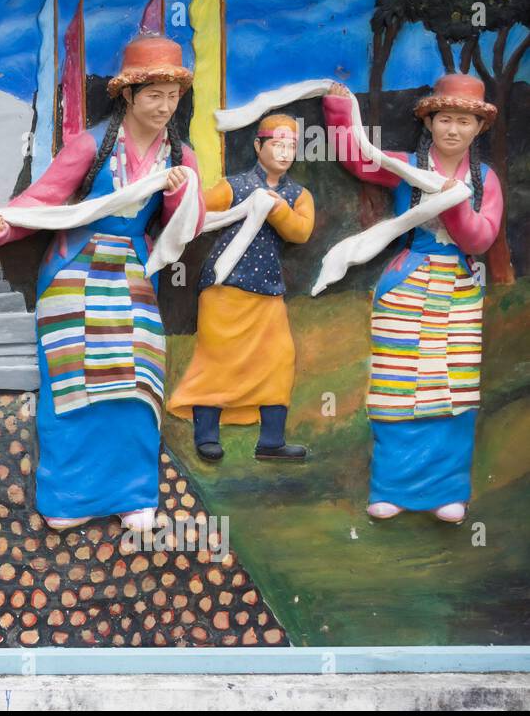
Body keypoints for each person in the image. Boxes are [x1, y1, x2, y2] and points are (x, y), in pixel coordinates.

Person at [0, 32, 205, 533]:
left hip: (132, 274)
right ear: (127, 95)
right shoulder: (90, 146)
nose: (165, 107)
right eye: (154, 96)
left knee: (136, 381)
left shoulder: (179, 157)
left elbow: (185, 228)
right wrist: (4, 225)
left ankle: (134, 494)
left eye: (173, 97)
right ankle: (69, 495)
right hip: (75, 271)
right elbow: (45, 200)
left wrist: (179, 193)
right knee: (73, 383)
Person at [323, 75, 504, 523]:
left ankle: (448, 491)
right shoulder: (406, 164)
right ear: (429, 122)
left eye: (464, 121)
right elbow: (360, 158)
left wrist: (455, 201)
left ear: (478, 128)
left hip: (458, 292)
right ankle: (392, 488)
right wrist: (340, 107)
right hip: (407, 283)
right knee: (397, 387)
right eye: (445, 119)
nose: (453, 130)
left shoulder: (485, 179)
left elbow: (480, 238)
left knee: (453, 391)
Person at [167, 114, 315, 461]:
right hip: (225, 286)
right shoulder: (234, 187)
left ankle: (271, 441)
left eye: (291, 146)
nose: (284, 152)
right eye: (277, 144)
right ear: (258, 146)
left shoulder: (298, 195)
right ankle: (206, 436)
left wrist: (275, 209)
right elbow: (196, 211)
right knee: (218, 360)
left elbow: (301, 232)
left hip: (267, 289)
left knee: (279, 360)